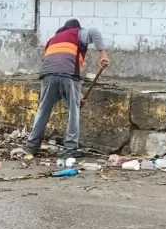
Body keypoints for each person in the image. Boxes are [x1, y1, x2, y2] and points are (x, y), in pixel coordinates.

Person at [24, 19, 109, 158]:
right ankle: (69, 150)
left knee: (43, 110)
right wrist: (102, 54)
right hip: (68, 74)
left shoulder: (53, 39)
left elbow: (57, 67)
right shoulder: (77, 33)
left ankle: (31, 147)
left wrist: (78, 95)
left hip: (47, 75)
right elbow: (94, 32)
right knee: (74, 112)